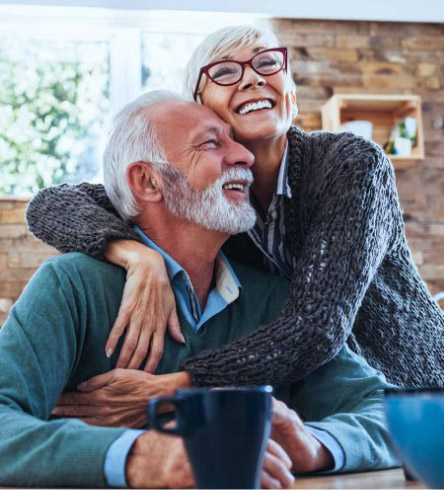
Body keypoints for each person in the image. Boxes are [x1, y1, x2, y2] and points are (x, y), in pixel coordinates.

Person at [1, 92, 398, 488]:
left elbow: (390, 412)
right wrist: (140, 456)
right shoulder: (71, 287)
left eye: (235, 141)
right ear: (148, 181)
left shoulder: (276, 299)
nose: (245, 156)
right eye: (211, 143)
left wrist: (315, 445)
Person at [27, 25, 444, 394]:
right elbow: (51, 205)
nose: (252, 78)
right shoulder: (209, 201)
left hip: (410, 392)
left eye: (267, 64)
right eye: (225, 72)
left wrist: (178, 387)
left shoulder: (351, 164)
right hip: (314, 398)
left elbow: (317, 326)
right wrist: (137, 255)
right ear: (201, 107)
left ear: (291, 96)